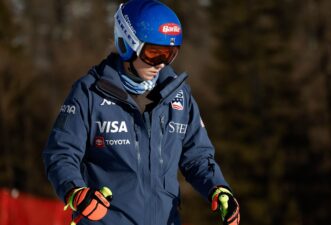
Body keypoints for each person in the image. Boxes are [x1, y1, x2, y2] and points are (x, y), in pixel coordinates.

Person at [42, 0, 240, 225]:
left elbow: (198, 158)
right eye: (154, 53)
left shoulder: (179, 96)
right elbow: (61, 153)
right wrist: (76, 192)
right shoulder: (90, 93)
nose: (161, 64)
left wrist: (218, 189)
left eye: (170, 54)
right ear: (126, 44)